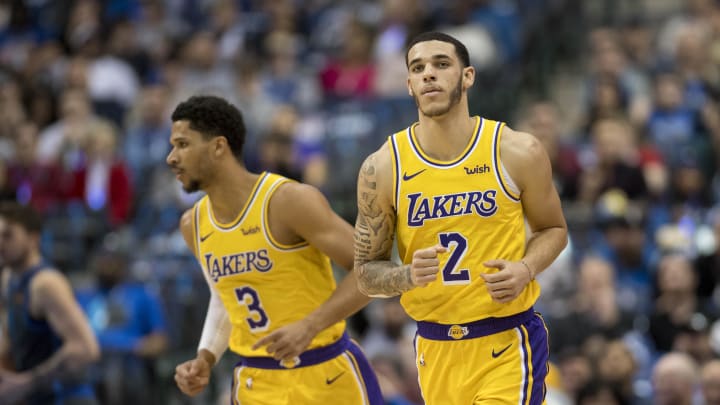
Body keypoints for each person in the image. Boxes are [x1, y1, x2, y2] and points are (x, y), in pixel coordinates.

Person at [353, 31, 568, 404]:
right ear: (408, 85)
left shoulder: (516, 151)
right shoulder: (383, 167)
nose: (428, 74)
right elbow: (365, 273)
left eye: (441, 64)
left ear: (467, 76)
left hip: (506, 338)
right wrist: (405, 275)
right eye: (418, 68)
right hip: (434, 348)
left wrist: (526, 269)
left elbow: (554, 229)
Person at [168, 95, 382, 404]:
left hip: (326, 375)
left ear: (218, 147)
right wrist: (206, 356)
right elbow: (226, 295)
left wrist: (311, 325)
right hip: (256, 384)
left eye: (182, 144)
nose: (171, 157)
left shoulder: (287, 201)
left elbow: (374, 269)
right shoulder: (193, 224)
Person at [0, 202, 100, 405]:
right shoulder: (8, 277)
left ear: (33, 238)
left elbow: (86, 349)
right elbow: (14, 336)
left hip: (68, 398)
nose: (0, 243)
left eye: (8, 235)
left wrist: (27, 382)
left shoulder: (46, 283)